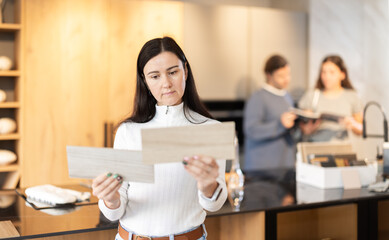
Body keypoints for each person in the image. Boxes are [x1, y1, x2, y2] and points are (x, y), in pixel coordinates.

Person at [91, 37, 227, 240]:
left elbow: (214, 204)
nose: (166, 83)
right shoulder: (128, 131)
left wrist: (208, 186)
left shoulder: (211, 130)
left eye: (173, 72)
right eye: (155, 76)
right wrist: (110, 199)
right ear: (145, 81)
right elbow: (115, 212)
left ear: (186, 71)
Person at [243, 55, 297, 177]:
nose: (286, 79)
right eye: (281, 76)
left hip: (284, 165)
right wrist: (280, 124)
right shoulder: (258, 97)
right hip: (262, 169)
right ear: (269, 75)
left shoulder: (287, 96)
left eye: (288, 74)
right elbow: (251, 130)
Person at [298, 55, 363, 142]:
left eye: (332, 72)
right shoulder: (312, 96)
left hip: (342, 151)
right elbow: (304, 129)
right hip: (316, 149)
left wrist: (352, 124)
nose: (327, 77)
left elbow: (361, 130)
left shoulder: (352, 97)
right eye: (323, 72)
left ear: (342, 74)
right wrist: (309, 129)